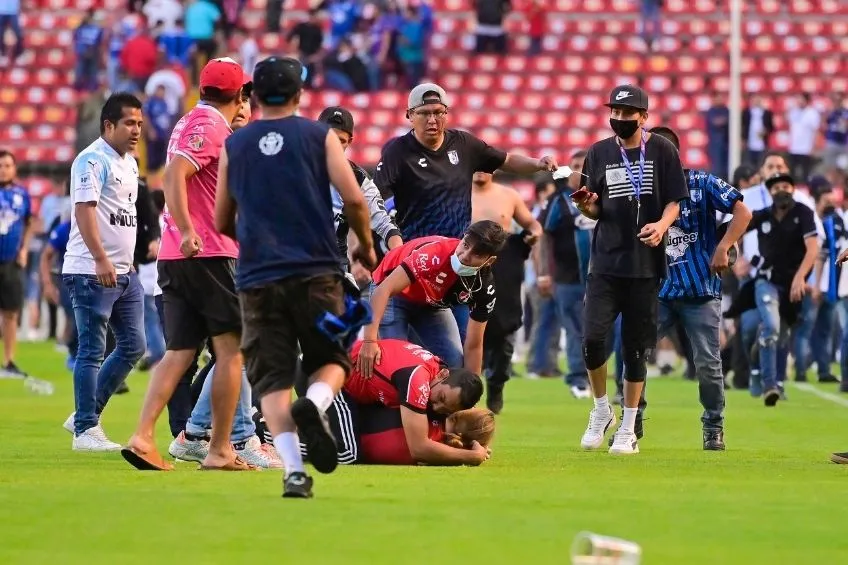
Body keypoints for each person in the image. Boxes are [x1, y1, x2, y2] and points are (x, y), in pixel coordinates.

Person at [215, 56, 376, 498]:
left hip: (257, 280)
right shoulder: (320, 136)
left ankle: (293, 473)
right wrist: (364, 242)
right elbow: (355, 200)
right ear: (298, 95)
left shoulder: (236, 144)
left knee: (272, 379)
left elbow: (221, 218)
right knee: (332, 358)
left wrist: (253, 238)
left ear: (254, 95)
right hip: (317, 274)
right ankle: (318, 403)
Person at [122, 58, 250, 472]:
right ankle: (219, 450)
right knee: (232, 351)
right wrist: (188, 227)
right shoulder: (210, 125)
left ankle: (143, 437)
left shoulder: (188, 121)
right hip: (208, 253)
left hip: (177, 258)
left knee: (178, 351)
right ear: (239, 94)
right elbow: (174, 174)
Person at [571, 84, 688, 455]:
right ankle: (601, 409)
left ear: (644, 116)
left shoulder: (663, 150)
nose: (619, 119)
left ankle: (628, 426)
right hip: (605, 261)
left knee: (636, 349)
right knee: (592, 340)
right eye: (615, 113)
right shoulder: (599, 152)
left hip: (645, 266)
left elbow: (675, 201)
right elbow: (595, 209)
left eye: (627, 113)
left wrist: (663, 225)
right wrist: (586, 206)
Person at [631, 126, 752, 451]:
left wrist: (724, 246)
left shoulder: (702, 182)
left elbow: (743, 211)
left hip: (700, 290)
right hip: (659, 292)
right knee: (635, 355)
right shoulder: (640, 191)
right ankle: (632, 422)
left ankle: (714, 426)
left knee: (708, 364)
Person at [61, 93, 146, 451]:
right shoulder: (91, 160)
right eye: (129, 123)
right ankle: (85, 430)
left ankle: (86, 409)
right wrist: (100, 258)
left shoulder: (130, 163)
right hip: (90, 269)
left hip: (125, 271)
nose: (136, 130)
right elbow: (84, 210)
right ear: (108, 125)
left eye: (140, 124)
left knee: (134, 345)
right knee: (92, 351)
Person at [373, 83, 556, 242]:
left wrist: (537, 164)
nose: (432, 120)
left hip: (458, 251)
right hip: (415, 249)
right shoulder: (397, 152)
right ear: (410, 115)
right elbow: (375, 197)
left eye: (438, 112)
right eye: (424, 113)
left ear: (446, 113)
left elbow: (506, 160)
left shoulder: (463, 143)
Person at [359, 220, 507, 376]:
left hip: (430, 302)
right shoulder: (435, 254)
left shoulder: (485, 288)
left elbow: (474, 345)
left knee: (453, 365)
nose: (464, 256)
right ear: (463, 237)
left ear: (489, 261)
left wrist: (472, 394)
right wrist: (369, 341)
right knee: (398, 365)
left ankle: (432, 398)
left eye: (476, 254)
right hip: (392, 293)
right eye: (465, 245)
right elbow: (383, 290)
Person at [319, 338, 487, 465]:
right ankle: (294, 444)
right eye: (441, 398)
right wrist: (471, 456)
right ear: (443, 375)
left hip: (339, 375)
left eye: (445, 410)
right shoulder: (417, 379)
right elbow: (419, 448)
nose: (435, 406)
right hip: (327, 374)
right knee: (348, 452)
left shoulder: (434, 371)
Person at [739, 173, 819, 406]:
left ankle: (758, 362)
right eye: (776, 187)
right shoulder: (762, 215)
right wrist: (733, 250)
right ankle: (769, 385)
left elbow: (812, 249)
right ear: (770, 192)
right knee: (771, 328)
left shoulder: (803, 213)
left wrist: (800, 278)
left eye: (786, 186)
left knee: (781, 335)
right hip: (767, 280)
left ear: (793, 189)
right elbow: (737, 228)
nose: (781, 190)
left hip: (793, 284)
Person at [471, 171, 541, 412]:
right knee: (466, 334)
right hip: (465, 268)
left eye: (486, 166)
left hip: (504, 268)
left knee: (503, 335)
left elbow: (532, 224)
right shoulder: (456, 191)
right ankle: (467, 392)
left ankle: (497, 384)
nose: (480, 170)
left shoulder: (508, 195)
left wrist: (533, 235)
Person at [536, 150, 596, 400]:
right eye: (575, 165)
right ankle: (578, 378)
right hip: (568, 276)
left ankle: (596, 374)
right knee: (574, 329)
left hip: (602, 276)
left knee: (604, 329)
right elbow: (543, 235)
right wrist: (543, 273)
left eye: (584, 165)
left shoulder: (601, 197)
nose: (580, 169)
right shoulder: (559, 200)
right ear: (568, 168)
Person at [317, 105, 402, 275]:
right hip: (293, 262)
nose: (333, 144)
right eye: (328, 137)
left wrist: (399, 257)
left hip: (334, 268)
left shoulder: (359, 179)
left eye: (340, 140)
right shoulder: (295, 167)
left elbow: (385, 224)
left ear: (350, 141)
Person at [302, 403, 494, 466]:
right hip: (354, 439)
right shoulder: (438, 449)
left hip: (350, 426)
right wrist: (473, 453)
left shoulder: (423, 409)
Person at [0, 150, 33, 378]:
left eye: (7, 165)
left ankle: (9, 361)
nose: (3, 169)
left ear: (14, 168)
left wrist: (24, 248)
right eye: (0, 165)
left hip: (11, 260)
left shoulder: (22, 194)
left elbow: (30, 222)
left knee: (11, 312)